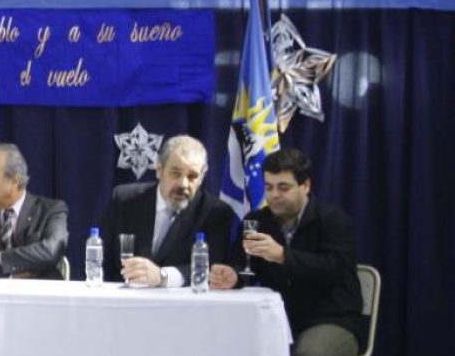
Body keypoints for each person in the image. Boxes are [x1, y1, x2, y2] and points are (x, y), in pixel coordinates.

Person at [209, 148, 362, 356]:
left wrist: (283, 255)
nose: (274, 196)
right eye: (269, 187)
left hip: (331, 319)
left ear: (305, 185)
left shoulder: (333, 220)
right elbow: (246, 267)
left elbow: (333, 269)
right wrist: (234, 276)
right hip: (275, 318)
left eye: (283, 188)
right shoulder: (256, 221)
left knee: (310, 352)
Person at [100, 134, 235, 287]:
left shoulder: (215, 213)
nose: (183, 184)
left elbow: (213, 269)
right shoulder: (125, 200)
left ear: (202, 177)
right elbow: (102, 259)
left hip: (182, 306)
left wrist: (163, 276)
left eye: (192, 176)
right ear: (159, 169)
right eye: (176, 173)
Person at [0, 143, 69, 280]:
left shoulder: (51, 211)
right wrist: (11, 276)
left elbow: (51, 250)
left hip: (42, 296)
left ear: (14, 181)